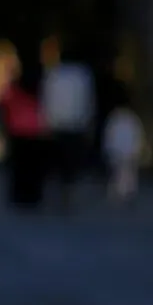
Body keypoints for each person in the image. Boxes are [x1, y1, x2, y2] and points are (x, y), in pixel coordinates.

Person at [40, 39, 95, 208]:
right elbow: (88, 101)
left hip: (56, 124)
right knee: (71, 162)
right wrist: (87, 121)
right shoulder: (83, 74)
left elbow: (46, 99)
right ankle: (67, 194)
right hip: (75, 124)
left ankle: (58, 193)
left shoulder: (53, 74)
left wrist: (46, 120)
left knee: (56, 161)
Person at [0, 52, 49, 208]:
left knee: (19, 167)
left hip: (17, 131)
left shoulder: (15, 87)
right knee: (35, 168)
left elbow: (4, 104)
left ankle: (19, 195)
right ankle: (34, 196)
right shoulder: (41, 87)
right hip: (37, 131)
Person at [101, 84, 146, 203]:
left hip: (118, 150)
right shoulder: (133, 118)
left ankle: (121, 192)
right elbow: (138, 135)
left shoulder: (114, 118)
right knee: (127, 172)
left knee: (120, 172)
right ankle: (125, 191)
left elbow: (109, 135)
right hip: (128, 151)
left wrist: (108, 149)